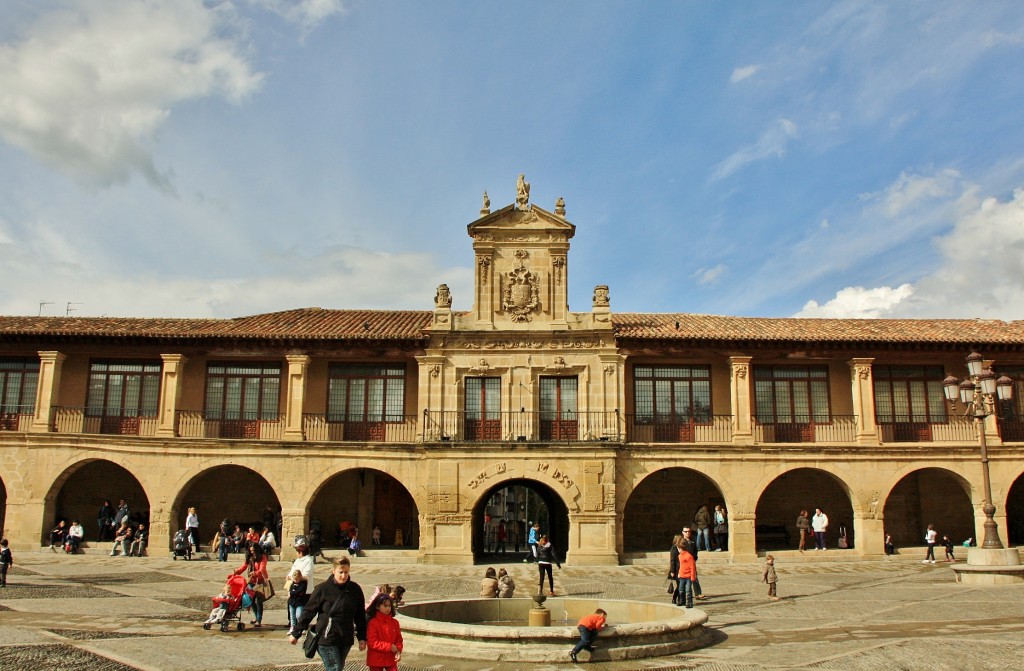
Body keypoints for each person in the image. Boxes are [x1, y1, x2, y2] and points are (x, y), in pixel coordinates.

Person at [288, 557, 368, 671]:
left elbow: (360, 615)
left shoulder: (355, 590)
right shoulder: (322, 589)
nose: (343, 576)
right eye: (340, 572)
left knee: (338, 667)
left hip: (345, 638)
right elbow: (309, 611)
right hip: (326, 637)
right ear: (333, 571)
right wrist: (296, 632)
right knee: (334, 668)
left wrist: (362, 637)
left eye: (346, 572)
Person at [233, 541, 269, 627]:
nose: (252, 552)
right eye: (251, 550)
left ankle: (259, 619)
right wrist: (237, 571)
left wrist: (255, 573)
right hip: (251, 581)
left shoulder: (262, 557)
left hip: (260, 581)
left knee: (259, 601)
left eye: (253, 550)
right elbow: (244, 566)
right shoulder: (250, 557)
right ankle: (256, 616)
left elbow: (262, 569)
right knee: (251, 600)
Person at [366, 593, 403, 671]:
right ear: (377, 606)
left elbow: (399, 639)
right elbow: (372, 642)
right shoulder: (373, 623)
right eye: (385, 606)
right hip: (376, 659)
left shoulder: (395, 622)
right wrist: (389, 647)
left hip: (391, 658)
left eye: (389, 606)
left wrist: (398, 650)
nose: (388, 608)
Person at [287, 535, 316, 628]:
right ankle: (293, 626)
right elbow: (292, 571)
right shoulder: (297, 561)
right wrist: (289, 576)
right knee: (292, 609)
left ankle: (302, 626)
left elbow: (306, 576)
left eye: (297, 551)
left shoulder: (308, 561)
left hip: (304, 590)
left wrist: (294, 577)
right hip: (294, 589)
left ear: (301, 552)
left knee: (301, 612)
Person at [680, 527, 707, 601]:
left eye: (689, 531)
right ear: (683, 532)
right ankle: (683, 594)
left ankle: (697, 593)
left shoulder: (693, 541)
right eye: (686, 531)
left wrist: (694, 559)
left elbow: (695, 551)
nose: (687, 533)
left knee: (694, 578)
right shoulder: (681, 542)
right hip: (684, 564)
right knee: (683, 580)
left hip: (691, 563)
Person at [676, 540, 696, 608]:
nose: (678, 550)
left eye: (678, 549)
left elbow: (692, 567)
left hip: (688, 576)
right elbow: (681, 566)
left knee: (688, 590)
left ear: (681, 549)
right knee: (681, 589)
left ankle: (689, 603)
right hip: (682, 576)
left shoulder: (689, 556)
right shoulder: (680, 556)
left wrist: (693, 576)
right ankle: (682, 601)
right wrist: (679, 573)